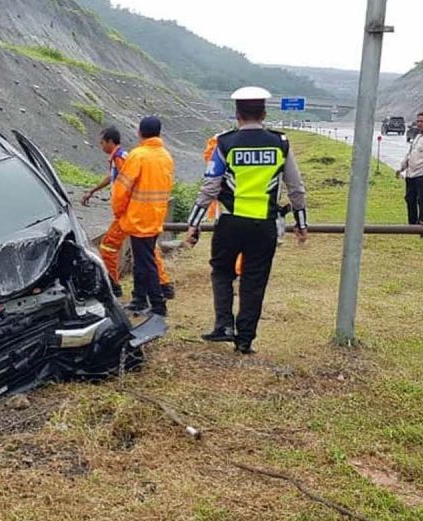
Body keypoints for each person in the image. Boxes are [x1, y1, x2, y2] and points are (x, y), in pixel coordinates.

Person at [185, 87, 308, 354]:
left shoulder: (225, 143)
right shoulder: (280, 143)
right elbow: (296, 188)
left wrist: (193, 223)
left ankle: (224, 326)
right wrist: (301, 223)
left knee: (222, 271)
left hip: (230, 223)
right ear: (264, 113)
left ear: (237, 114)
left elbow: (210, 187)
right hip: (264, 225)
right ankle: (245, 341)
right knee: (255, 280)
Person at [83, 127, 174, 299]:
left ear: (110, 142)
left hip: (130, 213)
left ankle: (112, 285)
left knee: (108, 246)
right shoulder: (123, 157)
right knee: (149, 251)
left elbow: (125, 184)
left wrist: (119, 211)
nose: (101, 146)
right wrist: (93, 190)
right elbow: (112, 177)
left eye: (102, 142)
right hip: (145, 213)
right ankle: (163, 285)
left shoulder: (123, 158)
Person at [111, 117, 174, 316]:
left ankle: (158, 304)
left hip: (138, 217)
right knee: (142, 259)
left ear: (140, 132)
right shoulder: (165, 156)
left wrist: (119, 212)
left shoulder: (138, 156)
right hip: (156, 216)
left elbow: (122, 188)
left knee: (145, 261)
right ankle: (139, 298)